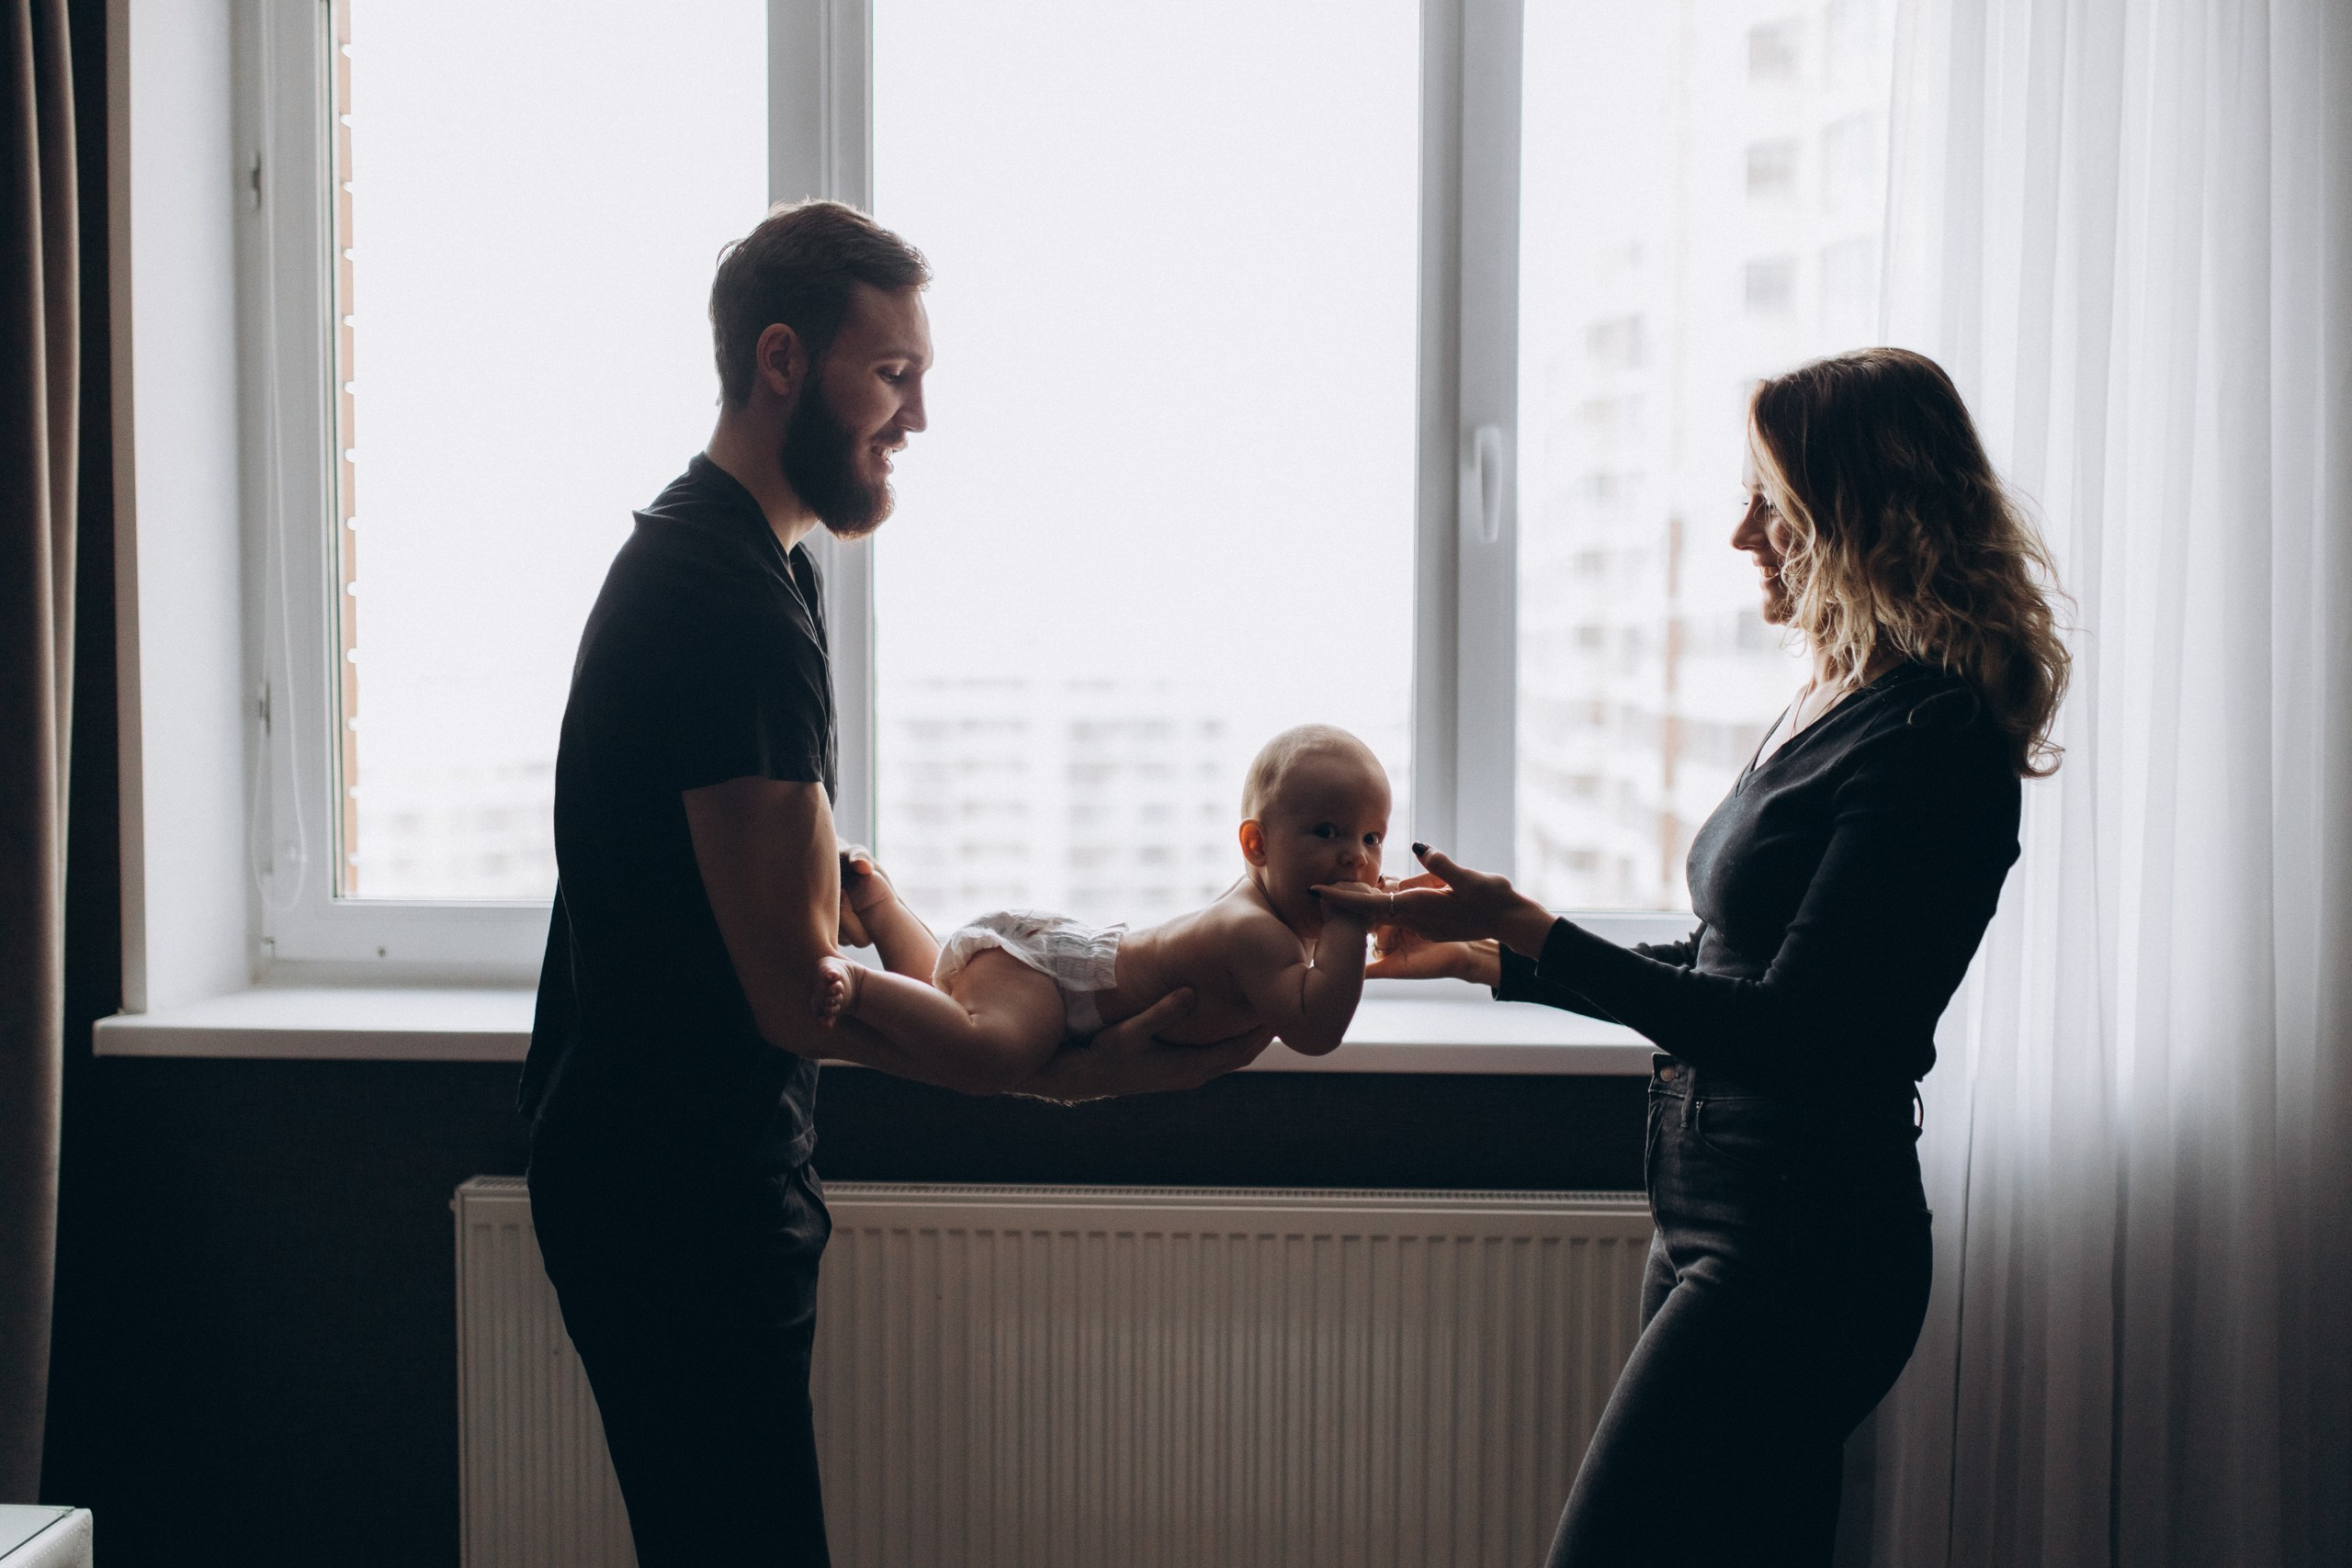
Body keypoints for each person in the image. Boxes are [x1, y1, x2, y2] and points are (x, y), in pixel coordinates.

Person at [517, 200, 1274, 1568]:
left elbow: (805, 910)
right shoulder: (727, 600)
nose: (917, 415)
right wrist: (1073, 1065)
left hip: (677, 1167)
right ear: (784, 360)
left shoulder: (761, 569)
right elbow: (796, 986)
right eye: (895, 373)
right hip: (676, 1195)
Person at [1317, 346, 2070, 1567]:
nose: (1739, 535)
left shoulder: (1933, 740)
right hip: (1714, 1207)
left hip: (1807, 1240)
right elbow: (1730, 963)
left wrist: (1534, 930)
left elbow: (1788, 1029)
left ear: (1853, 517)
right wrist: (1485, 957)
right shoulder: (1839, 700)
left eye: (1768, 506)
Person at [817, 723, 1389, 1068]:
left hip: (1049, 968)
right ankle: (861, 984)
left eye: (1371, 838)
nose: (1355, 858)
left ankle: (877, 905)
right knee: (988, 1055)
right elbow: (1316, 1031)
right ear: (1256, 843)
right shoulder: (1253, 932)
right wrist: (1350, 925)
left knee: (940, 1014)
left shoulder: (1265, 915)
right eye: (1327, 833)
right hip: (1053, 982)